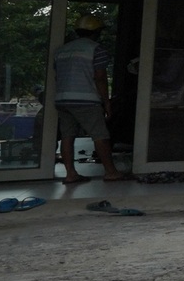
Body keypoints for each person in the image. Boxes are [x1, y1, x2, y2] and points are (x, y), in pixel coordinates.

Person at [53, 13, 128, 182]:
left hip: (63, 99)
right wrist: (107, 103)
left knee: (67, 136)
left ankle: (70, 174)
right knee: (100, 135)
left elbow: (58, 76)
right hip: (85, 100)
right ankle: (111, 172)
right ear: (96, 32)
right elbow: (100, 78)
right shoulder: (96, 49)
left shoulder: (61, 50)